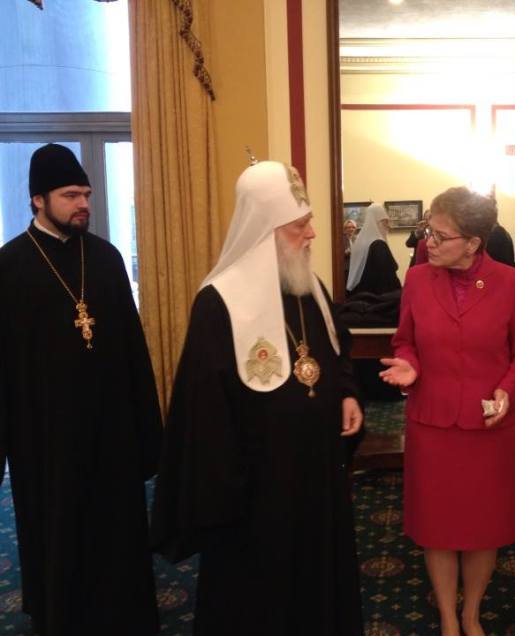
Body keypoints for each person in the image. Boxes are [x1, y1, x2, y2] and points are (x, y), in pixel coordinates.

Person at [150, 160, 364, 635]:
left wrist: (347, 393)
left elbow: (336, 352)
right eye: (299, 225)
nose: (312, 234)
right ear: (265, 231)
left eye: (308, 220)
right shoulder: (219, 302)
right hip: (258, 488)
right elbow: (205, 412)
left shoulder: (309, 287)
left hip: (317, 474)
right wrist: (230, 491)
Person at [0, 143, 163, 634]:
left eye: (86, 194)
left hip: (111, 431)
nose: (83, 204)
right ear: (38, 199)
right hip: (45, 439)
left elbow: (133, 350)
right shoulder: (10, 266)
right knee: (58, 534)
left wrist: (148, 433)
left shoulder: (106, 258)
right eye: (70, 195)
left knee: (117, 530)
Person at [380, 186, 515, 636]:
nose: (427, 242)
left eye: (439, 235)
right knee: (437, 527)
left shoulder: (512, 283)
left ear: (473, 243)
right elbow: (405, 341)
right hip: (432, 424)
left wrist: (508, 391)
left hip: (489, 426)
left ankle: (471, 612)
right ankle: (449, 619)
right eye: (427, 231)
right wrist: (410, 365)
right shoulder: (417, 280)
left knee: (483, 528)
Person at [346, 202, 401, 296]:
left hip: (361, 295)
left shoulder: (360, 242)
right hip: (379, 299)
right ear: (378, 223)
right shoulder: (379, 245)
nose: (388, 226)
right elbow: (388, 278)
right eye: (385, 222)